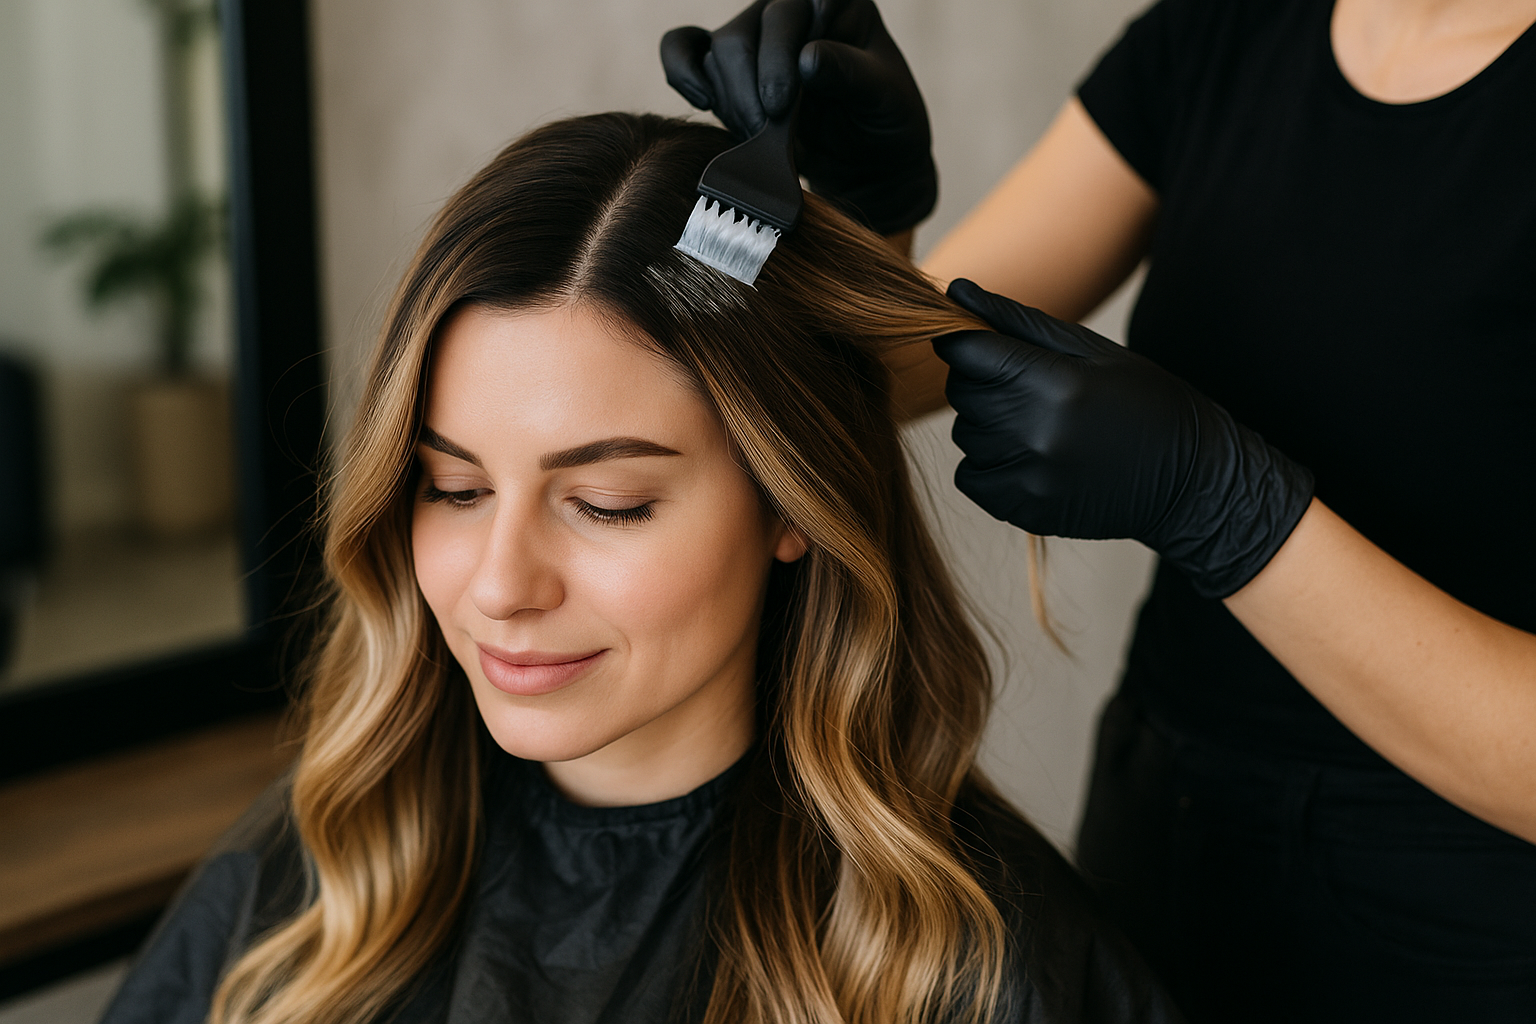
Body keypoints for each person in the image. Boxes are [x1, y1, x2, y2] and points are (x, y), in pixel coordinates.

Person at [98, 113, 1183, 1024]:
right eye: (454, 488)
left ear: (789, 505)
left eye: (605, 503)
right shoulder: (326, 868)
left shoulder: (980, 964)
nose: (500, 584)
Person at [660, 0, 1536, 1021]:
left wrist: (1227, 509)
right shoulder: (1229, 33)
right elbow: (888, 374)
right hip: (1168, 824)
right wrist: (868, 215)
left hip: (1469, 917)